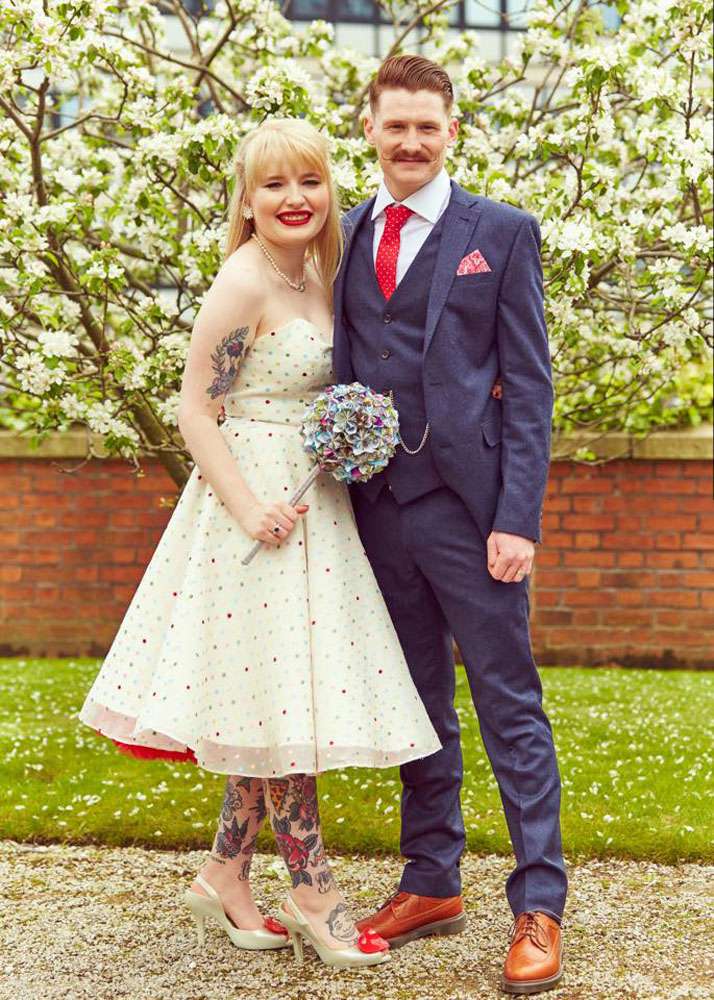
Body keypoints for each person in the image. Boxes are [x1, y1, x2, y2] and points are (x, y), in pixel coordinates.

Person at [78, 117, 441, 969]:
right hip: (256, 506)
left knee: (275, 698)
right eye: (274, 184)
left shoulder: (320, 268)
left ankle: (223, 875)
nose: (294, 198)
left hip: (313, 502)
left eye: (309, 181)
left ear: (330, 189)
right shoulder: (243, 280)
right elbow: (194, 410)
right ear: (247, 199)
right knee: (283, 706)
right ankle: (313, 891)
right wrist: (248, 509)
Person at [332, 55, 567, 994]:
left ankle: (539, 904)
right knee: (417, 702)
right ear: (370, 130)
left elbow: (530, 388)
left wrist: (518, 520)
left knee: (509, 703)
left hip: (473, 518)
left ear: (452, 132)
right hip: (377, 509)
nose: (411, 142)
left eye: (427, 126)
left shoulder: (500, 232)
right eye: (395, 125)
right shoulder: (347, 233)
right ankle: (431, 879)